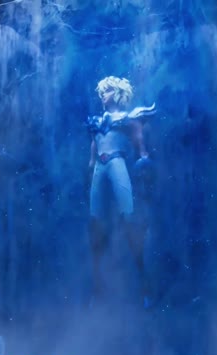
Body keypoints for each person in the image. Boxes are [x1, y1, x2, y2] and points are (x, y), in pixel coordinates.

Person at [87, 76, 156, 303]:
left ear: (117, 93)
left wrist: (143, 154)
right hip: (100, 166)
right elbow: (95, 142)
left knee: (128, 215)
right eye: (102, 91)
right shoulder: (97, 120)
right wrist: (91, 162)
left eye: (107, 91)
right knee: (95, 219)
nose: (102, 95)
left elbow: (137, 131)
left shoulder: (126, 118)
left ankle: (144, 283)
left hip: (116, 161)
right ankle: (98, 283)